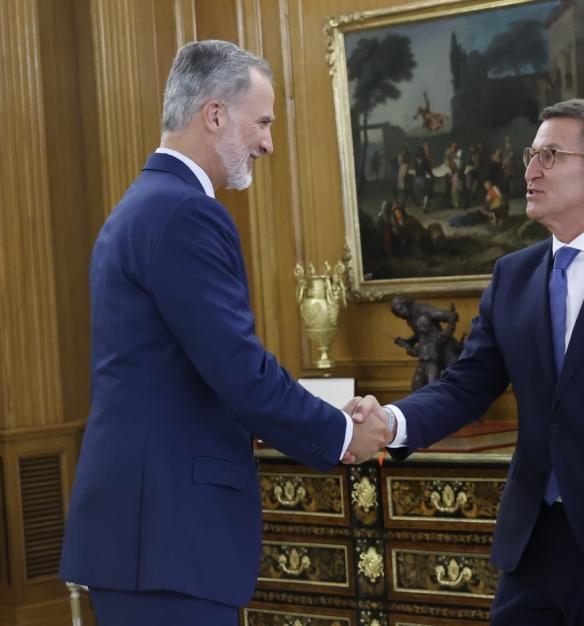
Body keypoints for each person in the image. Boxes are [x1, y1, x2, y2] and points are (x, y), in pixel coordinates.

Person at [356, 99, 584, 625]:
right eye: (531, 155)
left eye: (550, 155)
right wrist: (391, 423)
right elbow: (467, 384)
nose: (529, 171)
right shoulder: (512, 275)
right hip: (531, 549)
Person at [60, 40, 391, 626]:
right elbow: (241, 374)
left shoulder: (141, 206)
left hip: (147, 538)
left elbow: (195, 371)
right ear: (213, 114)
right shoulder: (187, 213)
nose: (268, 141)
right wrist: (344, 433)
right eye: (261, 121)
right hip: (168, 538)